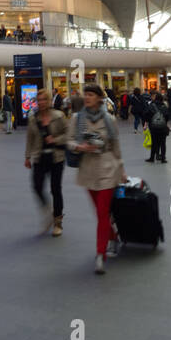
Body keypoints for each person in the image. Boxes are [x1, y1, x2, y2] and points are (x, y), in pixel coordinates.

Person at [70, 85, 125, 274]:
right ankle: (114, 236)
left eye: (91, 94)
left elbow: (116, 146)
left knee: (102, 211)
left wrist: (122, 170)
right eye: (85, 94)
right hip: (88, 169)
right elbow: (69, 141)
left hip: (108, 168)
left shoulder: (109, 119)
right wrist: (80, 147)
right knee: (99, 211)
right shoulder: (77, 119)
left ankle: (100, 254)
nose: (87, 97)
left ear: (100, 98)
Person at [25, 89, 67, 236]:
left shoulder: (59, 116)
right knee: (36, 186)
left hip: (56, 157)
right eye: (39, 100)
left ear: (50, 101)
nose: (41, 102)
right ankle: (48, 212)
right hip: (40, 157)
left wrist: (55, 140)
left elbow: (68, 135)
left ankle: (58, 222)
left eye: (44, 99)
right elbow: (30, 138)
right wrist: (27, 156)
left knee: (56, 189)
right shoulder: (33, 118)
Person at [146, 95, 170, 162]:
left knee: (154, 143)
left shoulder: (152, 106)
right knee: (163, 143)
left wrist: (149, 122)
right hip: (162, 127)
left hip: (154, 127)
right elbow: (167, 116)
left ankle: (152, 158)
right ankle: (163, 158)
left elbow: (147, 115)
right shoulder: (164, 106)